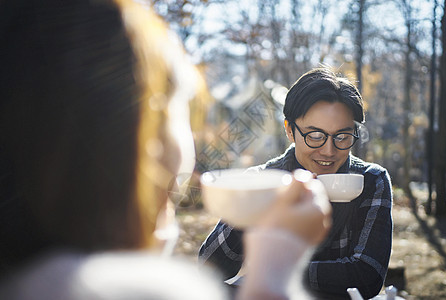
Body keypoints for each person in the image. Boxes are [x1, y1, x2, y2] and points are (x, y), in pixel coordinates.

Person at [0, 0, 331, 299]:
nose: (328, 149)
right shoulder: (139, 290)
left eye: (342, 136)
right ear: (136, 136)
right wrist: (277, 263)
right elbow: (212, 263)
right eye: (180, 110)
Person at [199, 67, 393, 299]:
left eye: (342, 136)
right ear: (290, 130)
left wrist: (270, 265)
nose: (329, 151)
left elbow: (366, 276)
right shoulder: (262, 180)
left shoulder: (371, 180)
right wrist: (255, 206)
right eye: (315, 135)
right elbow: (208, 268)